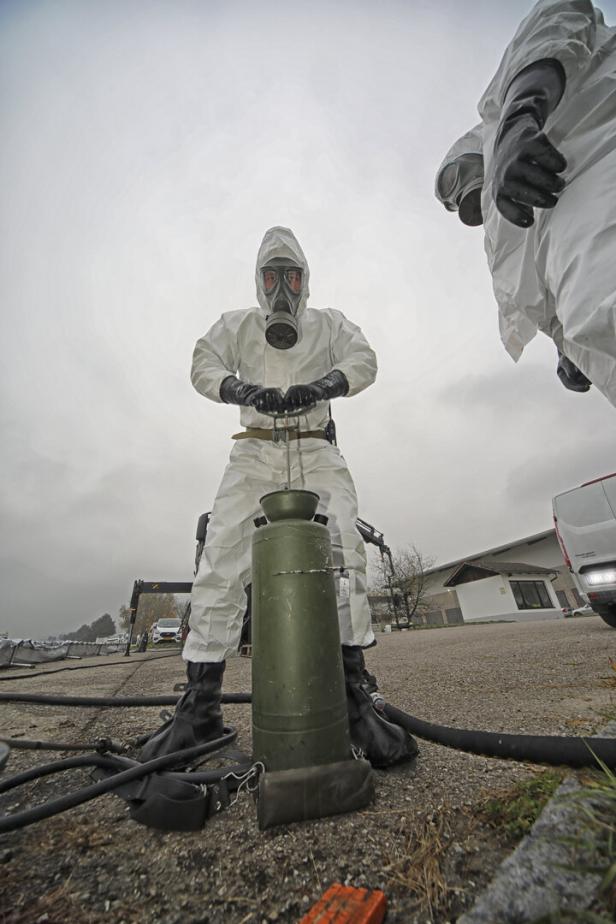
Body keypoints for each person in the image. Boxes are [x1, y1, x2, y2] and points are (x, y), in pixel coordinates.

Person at [140, 226, 415, 767]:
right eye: (272, 276)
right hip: (253, 451)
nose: (282, 289)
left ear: (305, 280)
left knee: (343, 555)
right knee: (220, 560)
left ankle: (354, 701)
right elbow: (203, 362)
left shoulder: (328, 323)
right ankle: (200, 712)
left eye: (292, 276)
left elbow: (365, 359)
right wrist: (240, 390)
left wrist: (326, 386)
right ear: (258, 281)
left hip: (315, 447)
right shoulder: (238, 326)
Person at [435, 0, 616, 407]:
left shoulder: (503, 109)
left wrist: (519, 114)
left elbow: (557, 18)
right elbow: (537, 282)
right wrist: (565, 342)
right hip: (591, 313)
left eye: (456, 179)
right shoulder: (508, 227)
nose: (464, 196)